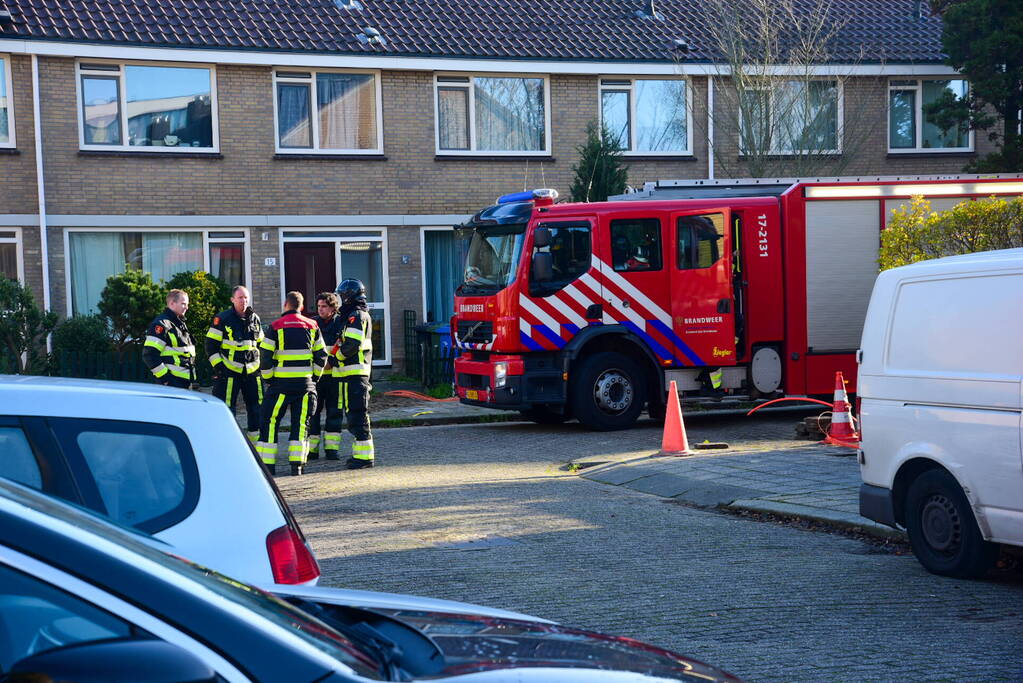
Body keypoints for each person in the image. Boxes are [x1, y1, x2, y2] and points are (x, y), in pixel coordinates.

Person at [256, 291, 326, 476]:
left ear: (285, 304)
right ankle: (297, 466)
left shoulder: (275, 326)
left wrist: (269, 379)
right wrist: (314, 378)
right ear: (301, 307)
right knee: (301, 424)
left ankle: (268, 466)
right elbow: (322, 355)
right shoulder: (312, 325)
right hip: (304, 385)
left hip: (280, 385)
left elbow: (265, 356)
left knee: (270, 421)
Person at [206, 286, 264, 444]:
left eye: (246, 297)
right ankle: (227, 443)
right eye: (240, 298)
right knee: (227, 409)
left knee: (257, 409)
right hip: (229, 371)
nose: (243, 301)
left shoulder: (255, 318)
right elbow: (210, 346)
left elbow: (261, 345)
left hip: (252, 372)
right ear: (232, 300)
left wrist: (261, 367)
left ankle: (255, 445)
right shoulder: (222, 319)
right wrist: (220, 368)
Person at [330, 279, 375, 469]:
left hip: (356, 375)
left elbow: (352, 344)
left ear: (348, 296)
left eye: (342, 296)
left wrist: (336, 358)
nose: (340, 300)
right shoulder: (353, 315)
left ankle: (364, 458)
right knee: (354, 415)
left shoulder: (357, 315)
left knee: (358, 415)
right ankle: (360, 456)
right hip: (351, 376)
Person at [308, 292, 345, 460]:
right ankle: (312, 450)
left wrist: (332, 361)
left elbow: (344, 346)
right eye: (318, 306)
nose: (320, 309)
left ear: (333, 308)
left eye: (324, 306)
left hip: (336, 377)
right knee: (313, 412)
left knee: (335, 412)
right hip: (317, 377)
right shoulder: (313, 323)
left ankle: (331, 449)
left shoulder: (341, 323)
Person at [143, 289, 196, 389]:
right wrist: (165, 379)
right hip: (172, 383)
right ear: (172, 303)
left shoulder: (179, 323)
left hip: (183, 382)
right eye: (183, 304)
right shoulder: (161, 324)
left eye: (187, 304)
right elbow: (149, 354)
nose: (187, 308)